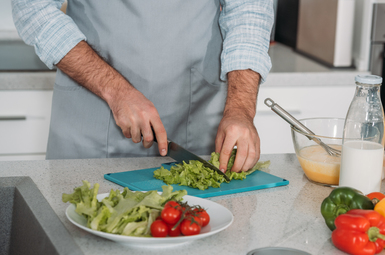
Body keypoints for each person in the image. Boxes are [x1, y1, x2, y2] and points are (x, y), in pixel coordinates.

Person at [12, 0, 274, 173]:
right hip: (92, 117)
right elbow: (33, 8)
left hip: (198, 122)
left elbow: (248, 11)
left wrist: (240, 109)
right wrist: (115, 90)